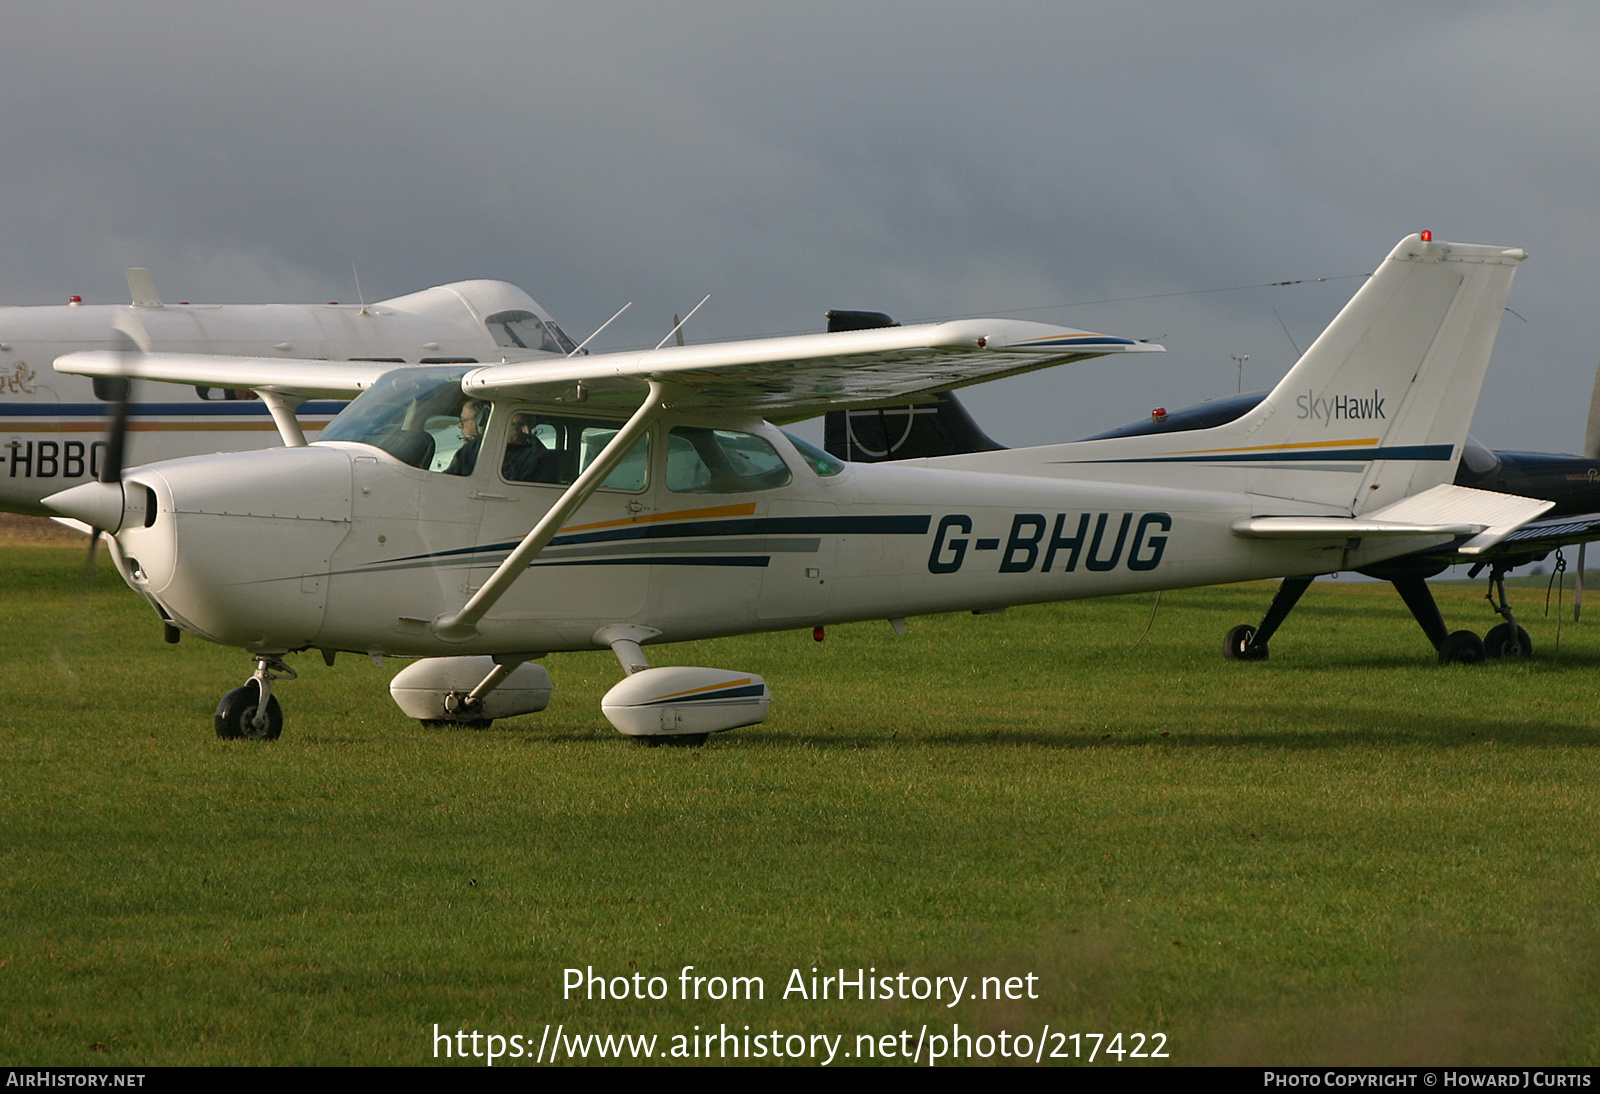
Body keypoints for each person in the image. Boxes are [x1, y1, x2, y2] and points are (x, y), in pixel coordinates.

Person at [502, 411, 558, 483]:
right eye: (518, 425)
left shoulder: (538, 456)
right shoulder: (498, 449)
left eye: (529, 424)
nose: (527, 431)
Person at [445, 399, 487, 475]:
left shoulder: (474, 453)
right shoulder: (467, 451)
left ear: (481, 422)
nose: (460, 425)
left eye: (464, 420)